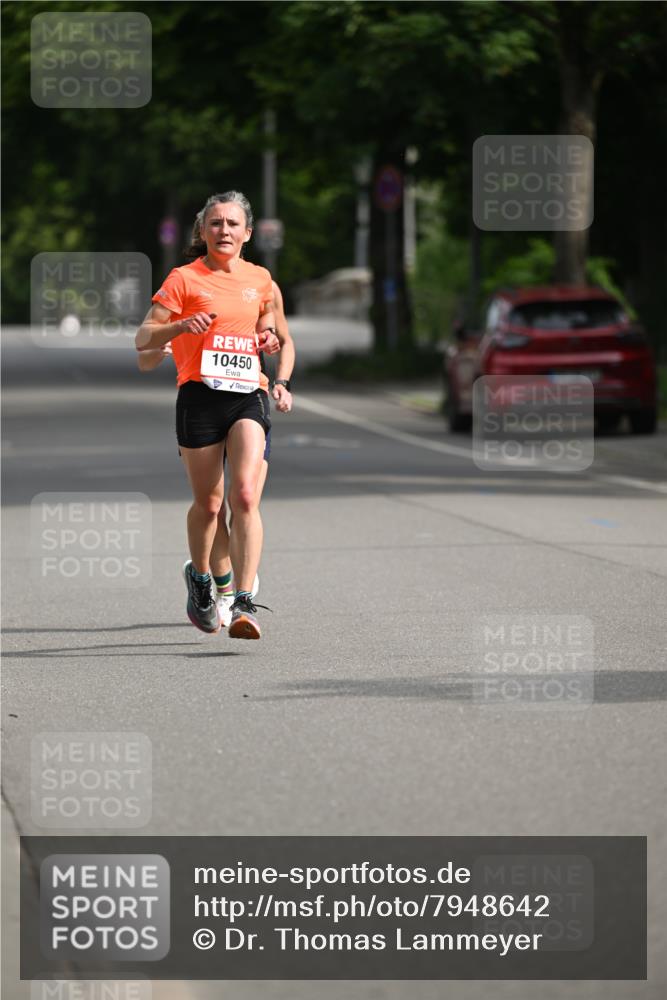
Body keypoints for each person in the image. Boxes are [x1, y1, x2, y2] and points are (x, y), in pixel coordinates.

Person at [136, 191, 280, 640]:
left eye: (233, 224)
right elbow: (143, 339)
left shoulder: (259, 278)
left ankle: (243, 601)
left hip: (246, 394)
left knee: (244, 495)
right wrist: (180, 326)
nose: (224, 231)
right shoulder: (183, 279)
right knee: (210, 504)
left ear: (247, 234)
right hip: (198, 395)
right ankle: (200, 578)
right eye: (215, 224)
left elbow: (266, 330)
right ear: (202, 231)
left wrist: (269, 340)